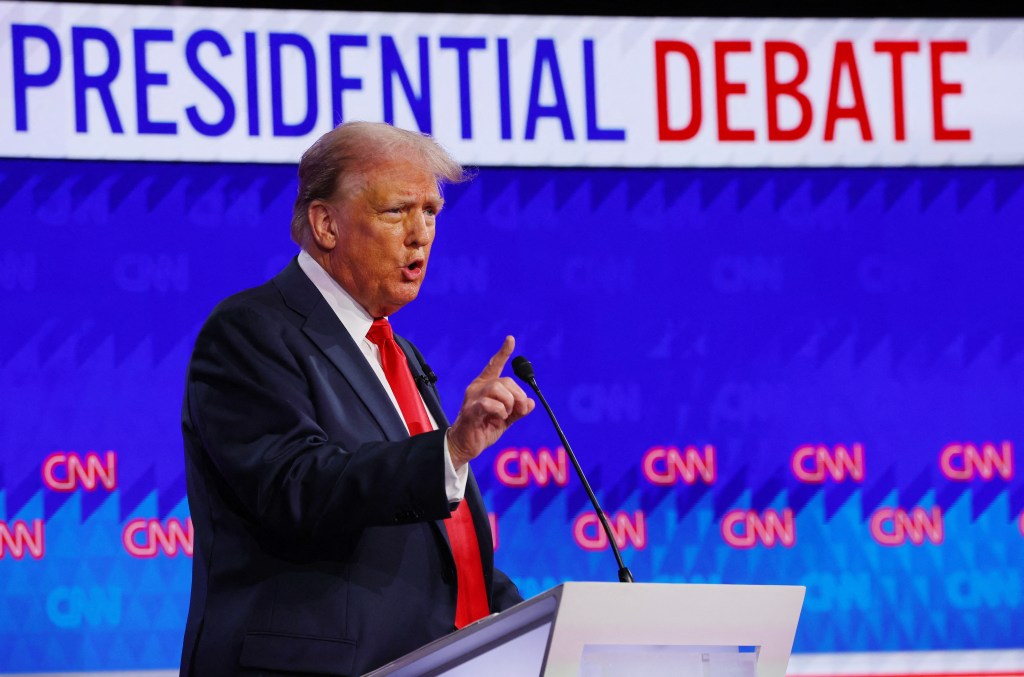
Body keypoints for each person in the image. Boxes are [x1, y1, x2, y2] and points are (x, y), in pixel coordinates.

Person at [179, 121, 535, 676]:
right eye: (397, 212)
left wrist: (539, 626)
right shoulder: (251, 330)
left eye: (432, 212)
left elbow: (440, 545)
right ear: (325, 223)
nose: (421, 234)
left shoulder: (399, 353)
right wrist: (450, 451)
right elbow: (293, 486)